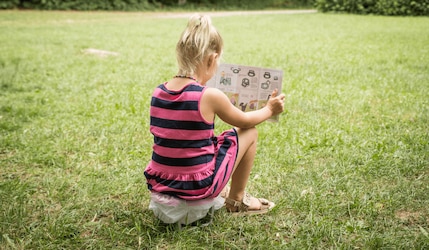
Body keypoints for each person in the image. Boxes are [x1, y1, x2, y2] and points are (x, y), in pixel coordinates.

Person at [144, 14, 285, 215]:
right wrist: (270, 109)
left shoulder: (158, 91)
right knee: (249, 132)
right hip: (198, 186)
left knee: (213, 142)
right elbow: (245, 121)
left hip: (161, 182)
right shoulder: (210, 95)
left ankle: (226, 195)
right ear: (213, 59)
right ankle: (236, 200)